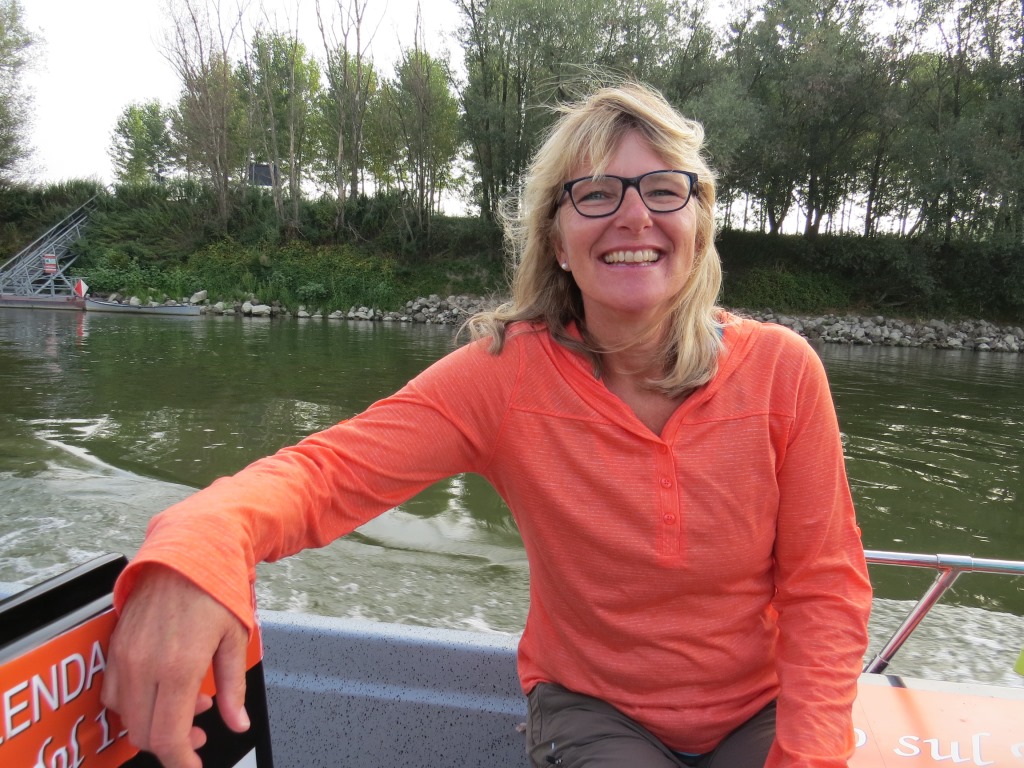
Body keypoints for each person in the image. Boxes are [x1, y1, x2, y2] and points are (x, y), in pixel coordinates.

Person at [102, 82, 872, 768]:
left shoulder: (784, 370)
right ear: (558, 241)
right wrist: (198, 549)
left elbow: (824, 588)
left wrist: (807, 757)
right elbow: (323, 476)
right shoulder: (505, 377)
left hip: (760, 710)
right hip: (595, 713)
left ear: (698, 225)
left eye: (665, 190)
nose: (634, 214)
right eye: (596, 194)